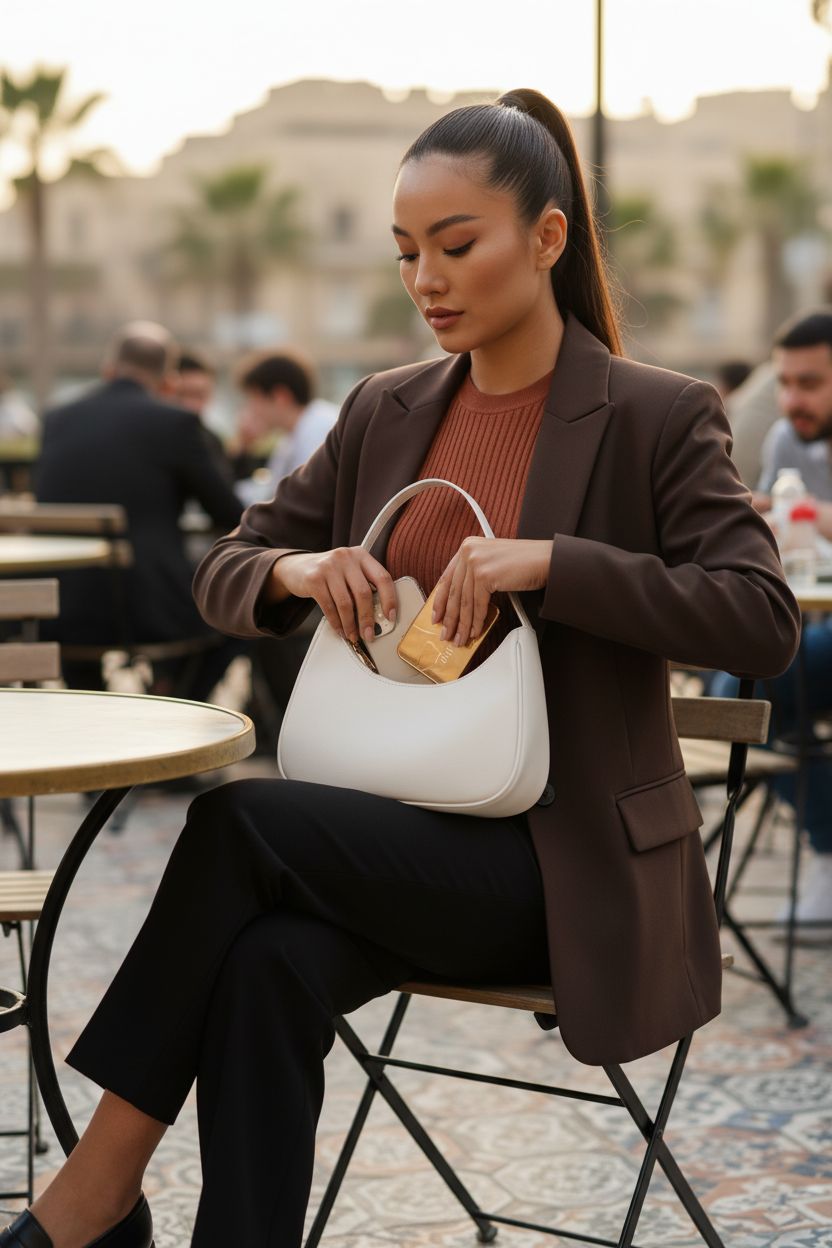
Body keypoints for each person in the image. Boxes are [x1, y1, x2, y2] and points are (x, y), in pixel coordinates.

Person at [2, 90, 799, 1248]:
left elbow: (761, 618)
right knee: (268, 963)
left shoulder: (655, 416)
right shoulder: (386, 410)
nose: (425, 278)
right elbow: (228, 563)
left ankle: (94, 1193)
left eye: (456, 245)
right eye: (405, 253)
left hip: (560, 873)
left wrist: (555, 564)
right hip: (394, 840)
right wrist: (298, 574)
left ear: (545, 237)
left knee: (238, 827)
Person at [34, 322, 244, 702]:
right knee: (245, 613)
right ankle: (179, 706)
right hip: (147, 612)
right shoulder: (175, 423)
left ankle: (92, 721)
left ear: (108, 369)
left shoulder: (56, 419)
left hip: (59, 611)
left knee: (87, 632)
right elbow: (229, 512)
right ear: (169, 381)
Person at [715, 309, 832, 922]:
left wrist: (806, 510)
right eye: (785, 383)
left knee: (767, 685)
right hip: (813, 620)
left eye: (809, 384)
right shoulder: (790, 440)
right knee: (736, 691)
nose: (792, 400)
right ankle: (828, 844)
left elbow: (801, 517)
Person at [233, 350, 338, 505]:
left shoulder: (319, 429)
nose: (250, 409)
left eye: (254, 398)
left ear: (280, 396)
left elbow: (301, 501)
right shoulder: (297, 433)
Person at [168, 351, 236, 488]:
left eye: (200, 395)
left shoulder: (212, 440)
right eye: (183, 394)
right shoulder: (150, 439)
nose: (192, 405)